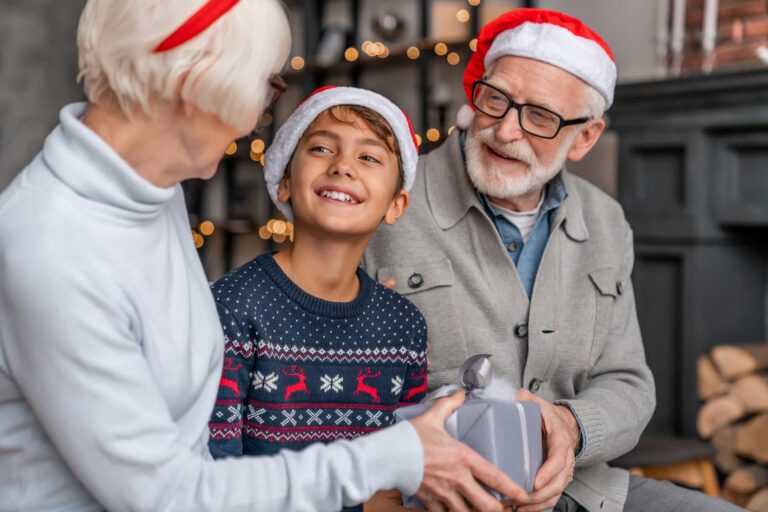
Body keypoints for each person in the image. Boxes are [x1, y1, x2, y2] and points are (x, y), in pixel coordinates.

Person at [0, 1, 529, 511]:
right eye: (266, 87)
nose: (256, 119)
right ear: (196, 85)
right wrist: (395, 455)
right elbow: (164, 497)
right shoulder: (52, 248)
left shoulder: (150, 192)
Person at [363, 8, 743, 512]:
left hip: (580, 490)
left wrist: (571, 428)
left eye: (539, 116)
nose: (505, 131)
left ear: (585, 137)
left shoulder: (606, 222)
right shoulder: (386, 202)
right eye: (495, 99)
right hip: (433, 496)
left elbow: (628, 382)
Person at [207, 86, 428, 512]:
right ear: (285, 182)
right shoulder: (233, 307)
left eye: (369, 157)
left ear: (396, 205)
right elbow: (217, 477)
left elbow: (403, 480)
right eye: (322, 148)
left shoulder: (405, 327)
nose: (343, 166)